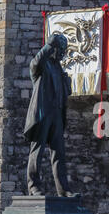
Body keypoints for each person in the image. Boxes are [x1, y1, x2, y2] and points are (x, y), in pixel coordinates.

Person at [23, 34, 78, 197]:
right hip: (42, 114)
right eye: (59, 49)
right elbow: (34, 63)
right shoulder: (43, 66)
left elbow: (62, 93)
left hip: (56, 115)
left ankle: (63, 190)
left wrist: (67, 88)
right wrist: (48, 45)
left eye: (64, 50)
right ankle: (33, 187)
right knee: (37, 151)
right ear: (52, 49)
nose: (62, 53)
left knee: (59, 154)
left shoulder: (59, 69)